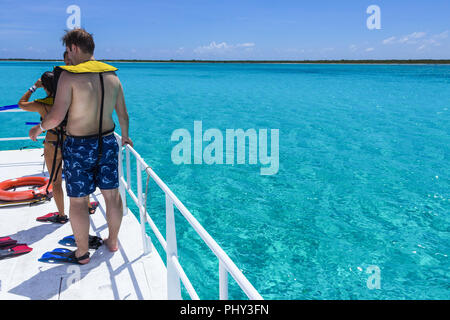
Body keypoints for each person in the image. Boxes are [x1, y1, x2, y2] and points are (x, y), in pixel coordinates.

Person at [29, 28, 133, 264]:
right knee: (112, 195)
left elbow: (56, 117)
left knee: (77, 200)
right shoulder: (113, 76)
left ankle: (82, 253)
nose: (68, 55)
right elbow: (123, 115)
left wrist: (38, 129)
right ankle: (113, 241)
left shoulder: (69, 76)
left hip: (78, 146)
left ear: (74, 48)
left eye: (68, 51)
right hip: (107, 141)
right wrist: (125, 136)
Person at [18, 71, 68, 223]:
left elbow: (21, 103)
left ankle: (61, 215)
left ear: (44, 86)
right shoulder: (67, 101)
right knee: (77, 178)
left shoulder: (41, 104)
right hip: (71, 142)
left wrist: (34, 87)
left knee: (57, 182)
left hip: (53, 144)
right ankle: (87, 207)